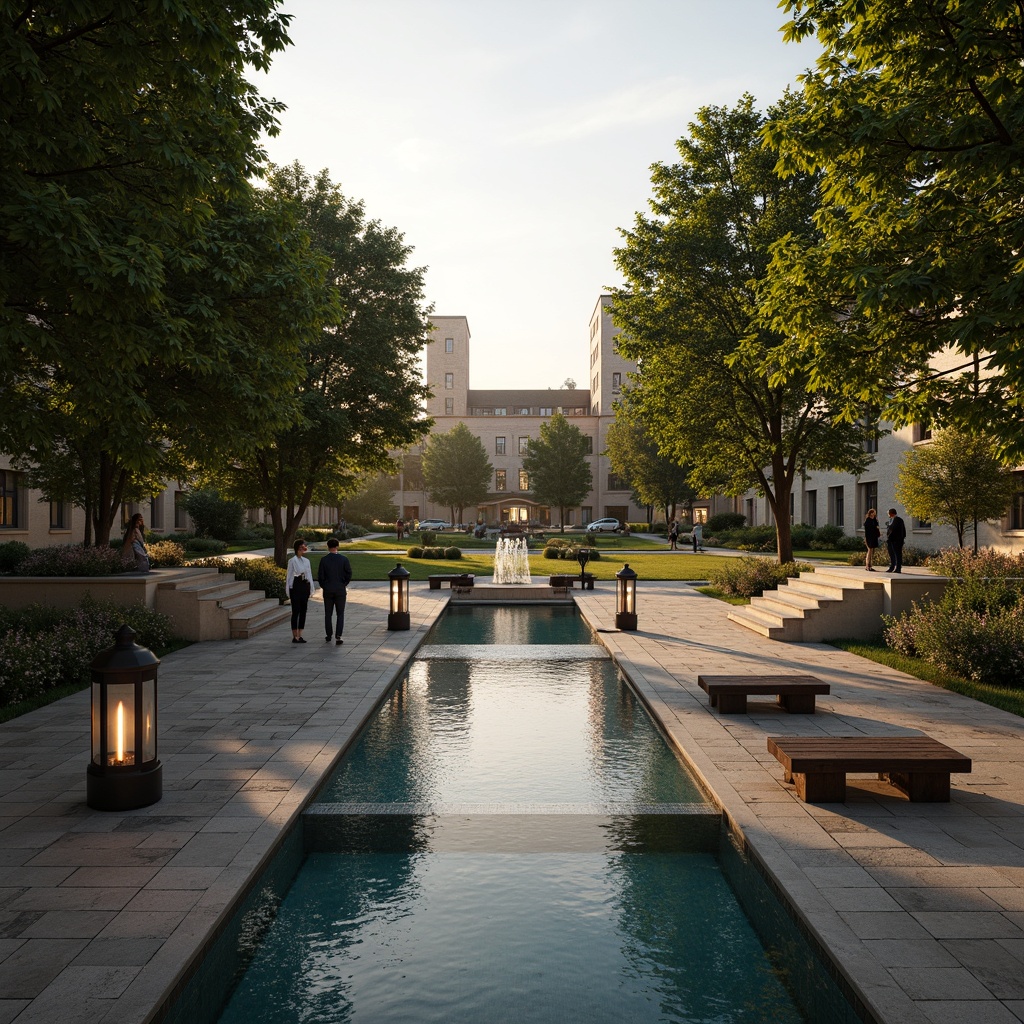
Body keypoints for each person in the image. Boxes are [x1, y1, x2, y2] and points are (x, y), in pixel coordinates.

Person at [318, 536, 353, 645]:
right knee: (340, 613)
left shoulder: (324, 560)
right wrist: (344, 583)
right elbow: (349, 573)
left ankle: (329, 635)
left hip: (328, 589)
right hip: (340, 589)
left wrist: (324, 585)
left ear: (328, 547)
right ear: (337, 546)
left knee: (328, 614)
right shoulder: (343, 559)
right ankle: (338, 636)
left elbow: (320, 576)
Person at [286, 539, 315, 643]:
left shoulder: (306, 561)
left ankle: (300, 634)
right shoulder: (292, 561)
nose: (304, 548)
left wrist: (311, 588)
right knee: (296, 611)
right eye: (302, 547)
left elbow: (309, 575)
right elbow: (289, 576)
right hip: (296, 586)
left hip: (304, 586)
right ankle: (295, 635)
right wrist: (288, 590)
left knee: (303, 611)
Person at [885, 508, 907, 573]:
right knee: (891, 554)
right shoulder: (891, 520)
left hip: (897, 540)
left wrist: (901, 538)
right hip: (891, 540)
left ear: (891, 513)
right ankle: (892, 567)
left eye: (888, 513)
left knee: (898, 554)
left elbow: (900, 530)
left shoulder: (899, 520)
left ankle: (898, 568)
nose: (888, 515)